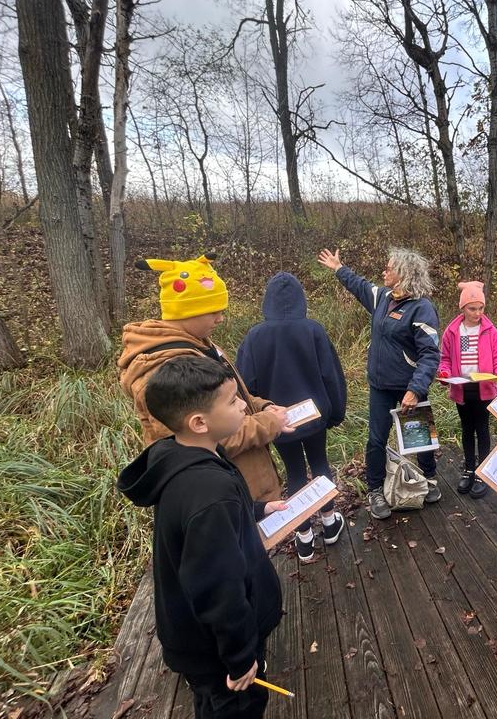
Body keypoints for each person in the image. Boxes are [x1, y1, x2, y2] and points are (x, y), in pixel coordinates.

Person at [117, 356, 287, 719]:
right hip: (218, 650)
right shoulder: (210, 492)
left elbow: (201, 524)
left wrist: (257, 511)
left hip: (196, 638)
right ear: (199, 422)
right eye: (231, 401)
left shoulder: (181, 454)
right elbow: (219, 589)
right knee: (236, 707)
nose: (244, 404)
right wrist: (241, 659)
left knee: (212, 702)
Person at [118, 254, 288, 502]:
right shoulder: (166, 371)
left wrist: (261, 406)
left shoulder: (200, 345)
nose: (220, 318)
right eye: (213, 312)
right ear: (186, 311)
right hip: (223, 495)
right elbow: (206, 439)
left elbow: (229, 397)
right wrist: (268, 423)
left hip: (245, 484)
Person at [317, 247, 442, 520]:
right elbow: (359, 285)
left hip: (410, 386)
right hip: (381, 385)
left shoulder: (422, 308)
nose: (384, 271)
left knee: (419, 435)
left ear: (404, 274)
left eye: (389, 268)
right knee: (376, 439)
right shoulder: (383, 298)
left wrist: (415, 389)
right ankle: (375, 489)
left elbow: (430, 354)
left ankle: (429, 477)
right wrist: (339, 268)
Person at [236, 272, 348, 563]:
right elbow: (331, 377)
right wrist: (335, 412)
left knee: (295, 472)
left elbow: (245, 386)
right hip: (314, 417)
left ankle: (304, 536)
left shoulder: (254, 336)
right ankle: (329, 520)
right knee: (320, 462)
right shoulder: (313, 330)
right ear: (301, 299)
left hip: (278, 422)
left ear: (267, 301)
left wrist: (261, 417)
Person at [437, 280, 497, 498]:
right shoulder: (453, 331)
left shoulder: (489, 330)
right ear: (462, 308)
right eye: (472, 308)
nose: (477, 313)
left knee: (482, 429)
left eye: (480, 308)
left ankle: (483, 473)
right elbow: (445, 360)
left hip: (484, 388)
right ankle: (469, 469)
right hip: (462, 389)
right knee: (466, 429)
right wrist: (444, 374)